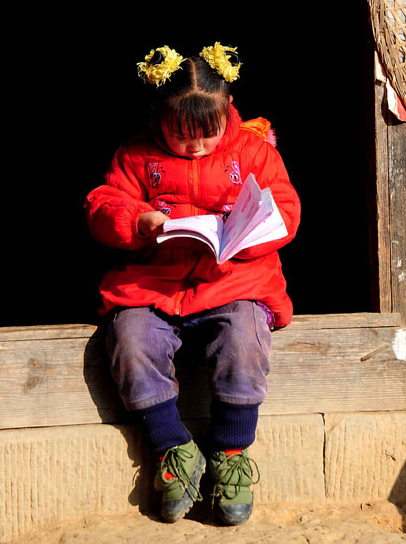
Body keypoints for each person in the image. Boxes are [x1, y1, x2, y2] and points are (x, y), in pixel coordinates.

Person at [84, 43, 300, 525]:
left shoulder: (253, 152)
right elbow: (101, 205)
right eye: (182, 137)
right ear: (158, 119)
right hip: (153, 284)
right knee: (129, 339)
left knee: (244, 340)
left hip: (233, 280)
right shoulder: (136, 157)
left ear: (227, 115)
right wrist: (139, 220)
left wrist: (245, 235)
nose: (197, 147)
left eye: (209, 134)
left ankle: (231, 456)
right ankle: (173, 449)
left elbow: (286, 210)